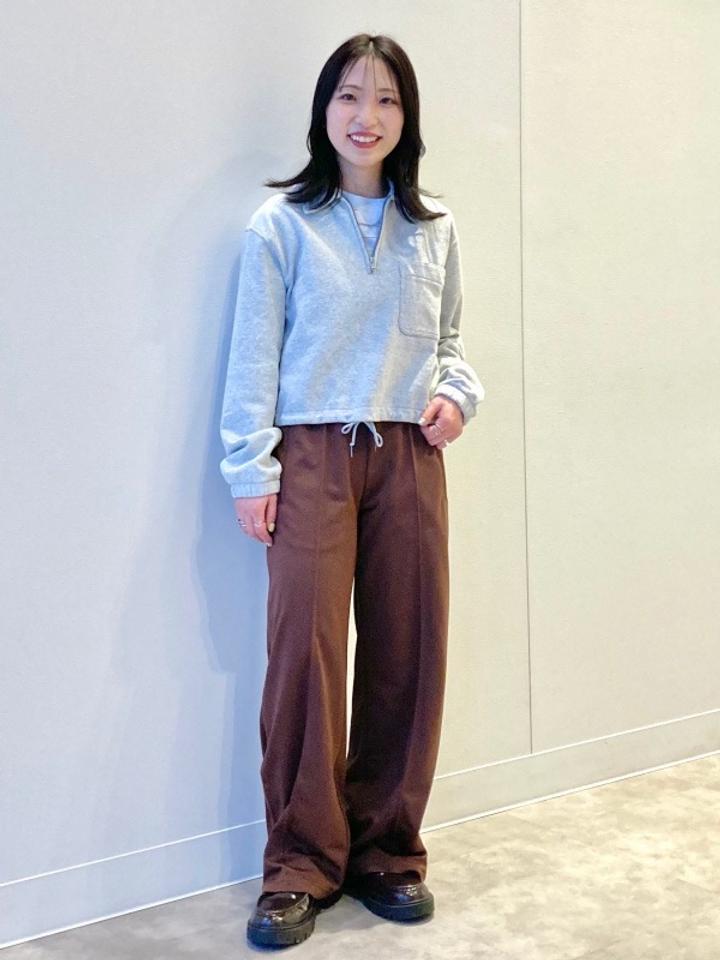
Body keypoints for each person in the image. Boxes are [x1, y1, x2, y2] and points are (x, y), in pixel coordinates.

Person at [219, 32, 485, 948]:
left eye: (386, 99)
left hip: (409, 452)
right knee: (306, 655)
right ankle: (299, 864)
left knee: (409, 648)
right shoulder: (281, 227)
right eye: (348, 96)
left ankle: (387, 852)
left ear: (407, 118)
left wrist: (456, 395)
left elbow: (450, 345)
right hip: (312, 453)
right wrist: (250, 469)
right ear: (323, 110)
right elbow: (253, 355)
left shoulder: (434, 227)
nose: (366, 116)